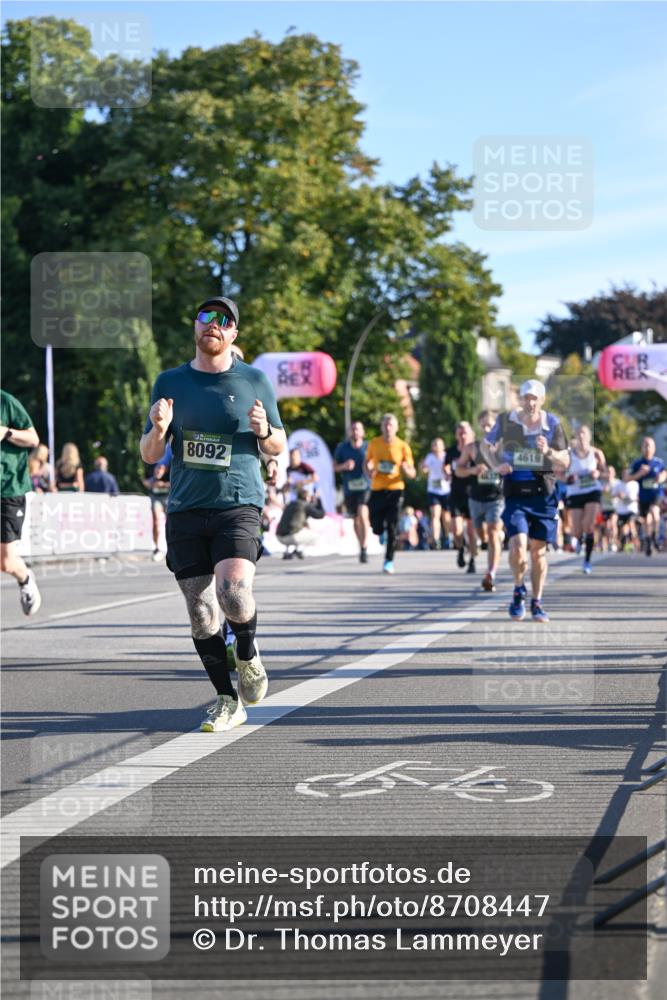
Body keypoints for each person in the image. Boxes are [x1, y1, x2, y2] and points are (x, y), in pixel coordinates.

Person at [139, 295, 286, 733]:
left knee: (234, 592)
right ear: (195, 327)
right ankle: (227, 699)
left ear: (233, 334)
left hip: (237, 502)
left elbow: (277, 442)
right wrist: (159, 428)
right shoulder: (170, 382)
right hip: (185, 506)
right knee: (202, 612)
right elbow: (150, 455)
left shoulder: (255, 380)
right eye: (206, 317)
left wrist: (265, 433)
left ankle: (246, 649)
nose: (213, 326)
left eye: (223, 321)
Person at [483, 379, 569, 622]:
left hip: (543, 495)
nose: (530, 402)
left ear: (542, 400)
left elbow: (565, 461)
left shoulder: (551, 424)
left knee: (538, 553)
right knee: (519, 546)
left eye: (535, 398)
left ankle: (537, 601)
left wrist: (549, 452)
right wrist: (495, 465)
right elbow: (485, 444)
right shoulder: (506, 421)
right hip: (516, 494)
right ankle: (518, 588)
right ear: (521, 400)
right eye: (526, 397)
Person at [0, 389, 42, 614]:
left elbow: (33, 439)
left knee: (5, 562)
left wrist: (6, 432)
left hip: (8, 489)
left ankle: (25, 578)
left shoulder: (5, 401)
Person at [455, 410, 505, 592]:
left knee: (492, 534)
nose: (487, 428)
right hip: (476, 498)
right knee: (482, 536)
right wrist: (472, 471)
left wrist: (503, 468)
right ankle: (496, 538)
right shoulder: (472, 448)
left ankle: (491, 573)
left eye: (490, 425)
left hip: (497, 497)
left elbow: (517, 466)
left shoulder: (504, 447)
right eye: (484, 425)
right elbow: (458, 470)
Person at [364, 413, 416, 574]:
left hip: (395, 489)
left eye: (391, 425)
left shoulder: (402, 446)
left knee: (392, 526)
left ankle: (388, 560)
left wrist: (406, 470)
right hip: (378, 489)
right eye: (385, 425)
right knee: (376, 525)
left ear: (396, 428)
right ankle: (379, 532)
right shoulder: (374, 443)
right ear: (381, 427)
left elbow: (412, 472)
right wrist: (369, 472)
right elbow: (366, 463)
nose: (388, 428)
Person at [564, 425, 607, 574]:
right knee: (576, 530)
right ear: (576, 436)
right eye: (578, 433)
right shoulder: (569, 454)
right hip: (575, 493)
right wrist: (569, 478)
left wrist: (598, 473)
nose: (581, 436)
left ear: (588, 436)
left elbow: (606, 472)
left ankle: (587, 561)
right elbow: (560, 475)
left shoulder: (596, 453)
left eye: (584, 433)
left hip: (592, 491)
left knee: (588, 525)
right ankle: (579, 540)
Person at [333, 420, 371, 563]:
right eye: (353, 429)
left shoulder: (368, 447)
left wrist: (372, 466)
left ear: (363, 432)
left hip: (365, 486)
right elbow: (334, 467)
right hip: (350, 488)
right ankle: (361, 546)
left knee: (363, 513)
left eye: (358, 429)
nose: (355, 432)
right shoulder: (342, 448)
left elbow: (375, 464)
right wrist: (344, 466)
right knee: (355, 520)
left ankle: (365, 546)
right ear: (349, 432)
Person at [445, 422, 477, 573]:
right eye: (460, 433)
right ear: (456, 435)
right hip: (456, 493)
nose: (463, 435)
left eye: (465, 432)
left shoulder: (476, 450)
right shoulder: (451, 451)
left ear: (471, 434)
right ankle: (460, 548)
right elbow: (445, 465)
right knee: (457, 529)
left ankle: (472, 560)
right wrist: (446, 472)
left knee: (471, 531)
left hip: (473, 493)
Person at [628, 437, 666, 556]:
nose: (648, 448)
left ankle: (654, 536)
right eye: (645, 445)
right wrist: (640, 474)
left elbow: (665, 473)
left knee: (655, 514)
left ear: (654, 448)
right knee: (646, 521)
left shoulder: (659, 462)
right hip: (643, 497)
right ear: (642, 448)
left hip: (655, 495)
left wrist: (661, 478)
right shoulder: (637, 464)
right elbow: (627, 478)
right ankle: (649, 540)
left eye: (650, 446)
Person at [276, 486, 325, 559]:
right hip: (292, 537)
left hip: (279, 536)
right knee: (316, 535)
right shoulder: (304, 505)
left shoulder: (290, 504)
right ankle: (299, 550)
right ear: (306, 497)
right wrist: (319, 499)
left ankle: (287, 551)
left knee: (297, 528)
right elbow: (320, 514)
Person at [420, 437, 451, 550]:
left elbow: (450, 471)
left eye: (438, 444)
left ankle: (447, 537)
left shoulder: (446, 456)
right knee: (435, 515)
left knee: (446, 516)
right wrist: (423, 467)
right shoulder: (430, 457)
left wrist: (447, 471)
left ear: (443, 446)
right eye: (434, 444)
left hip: (446, 490)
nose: (436, 447)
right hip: (433, 490)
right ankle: (436, 539)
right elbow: (424, 469)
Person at [143, 461, 171, 561]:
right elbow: (145, 481)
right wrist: (151, 484)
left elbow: (177, 482)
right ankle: (157, 547)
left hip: (168, 497)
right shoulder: (150, 466)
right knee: (156, 522)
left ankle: (170, 547)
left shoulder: (171, 467)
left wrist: (164, 485)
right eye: (157, 470)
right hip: (155, 497)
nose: (158, 472)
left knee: (170, 523)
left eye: (160, 470)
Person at [612, 469, 640, 552]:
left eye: (628, 474)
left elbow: (637, 497)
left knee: (631, 524)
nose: (626, 476)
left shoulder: (635, 484)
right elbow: (613, 495)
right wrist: (619, 495)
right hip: (621, 510)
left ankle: (635, 544)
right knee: (623, 529)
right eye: (624, 474)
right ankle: (622, 543)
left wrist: (631, 499)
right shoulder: (618, 484)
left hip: (632, 509)